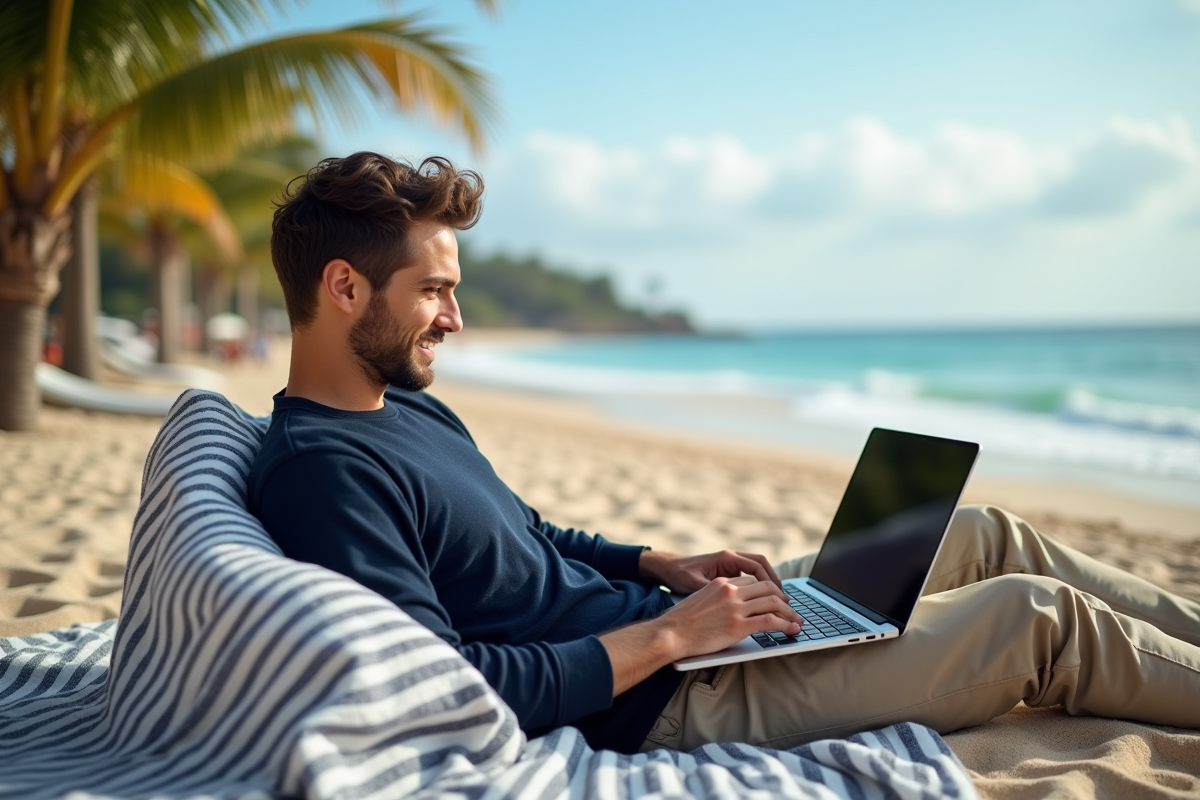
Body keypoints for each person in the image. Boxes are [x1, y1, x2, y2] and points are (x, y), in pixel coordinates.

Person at [249, 151, 1200, 755]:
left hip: (684, 631)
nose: (454, 319)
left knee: (981, 531)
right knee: (1033, 619)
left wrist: (659, 568)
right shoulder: (325, 473)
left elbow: (526, 535)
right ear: (343, 286)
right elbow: (450, 688)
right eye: (433, 291)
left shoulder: (405, 410)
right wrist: (674, 636)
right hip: (663, 695)